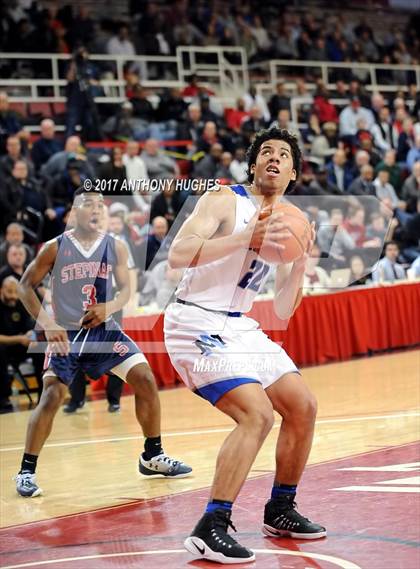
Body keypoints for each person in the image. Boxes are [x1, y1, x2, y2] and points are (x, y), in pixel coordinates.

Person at [164, 127, 326, 564]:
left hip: (239, 325)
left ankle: (280, 509)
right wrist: (243, 239)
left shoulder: (292, 218)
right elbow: (178, 255)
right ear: (253, 164)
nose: (274, 158)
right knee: (256, 414)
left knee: (303, 406)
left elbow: (284, 308)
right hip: (194, 318)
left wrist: (301, 263)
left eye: (284, 154)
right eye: (266, 152)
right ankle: (210, 526)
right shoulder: (221, 200)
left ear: (293, 173)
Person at [14, 187, 192, 498]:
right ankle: (26, 472)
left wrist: (108, 308)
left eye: (100, 205)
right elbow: (24, 287)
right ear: (74, 212)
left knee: (145, 378)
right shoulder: (54, 248)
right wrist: (48, 323)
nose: (96, 210)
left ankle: (152, 456)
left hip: (104, 332)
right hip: (66, 334)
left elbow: (126, 291)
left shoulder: (116, 247)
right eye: (88, 205)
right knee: (53, 397)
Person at [0, 276, 44, 413]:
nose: (13, 296)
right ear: (1, 290)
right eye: (9, 291)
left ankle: (43, 396)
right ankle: (3, 398)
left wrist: (32, 335)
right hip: (5, 346)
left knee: (40, 348)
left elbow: (31, 325)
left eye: (15, 292)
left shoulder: (20, 303)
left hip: (22, 344)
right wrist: (19, 338)